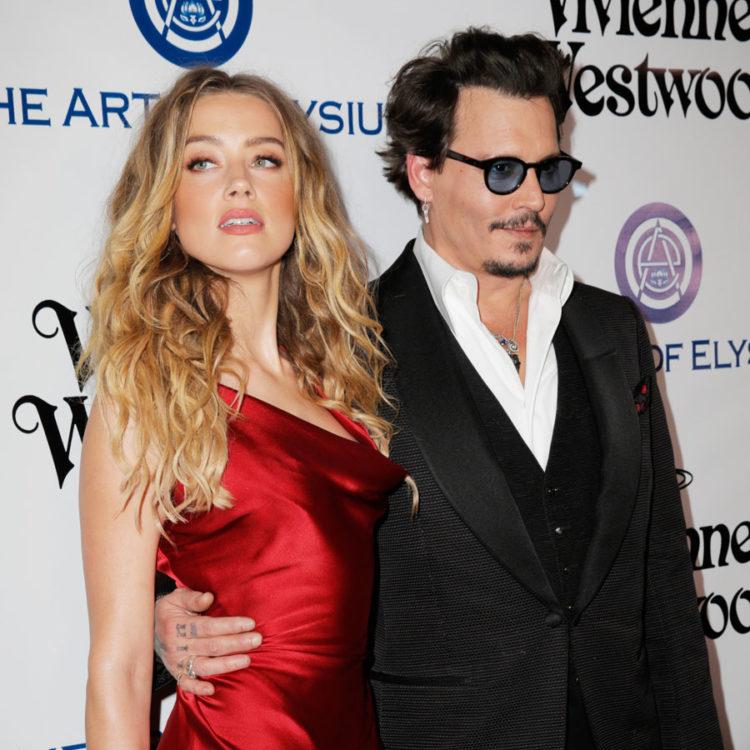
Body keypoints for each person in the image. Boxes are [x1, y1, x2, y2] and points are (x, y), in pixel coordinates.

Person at [153, 30, 723, 749]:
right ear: (423, 171)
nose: (533, 199)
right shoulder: (340, 346)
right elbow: (256, 538)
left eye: (549, 170)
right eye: (502, 170)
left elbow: (662, 580)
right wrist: (159, 621)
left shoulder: (613, 329)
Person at [79, 67, 405, 749]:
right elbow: (120, 668)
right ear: (167, 203)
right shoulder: (146, 394)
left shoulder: (338, 384)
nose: (239, 183)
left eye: (265, 159)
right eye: (203, 162)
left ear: (300, 192)